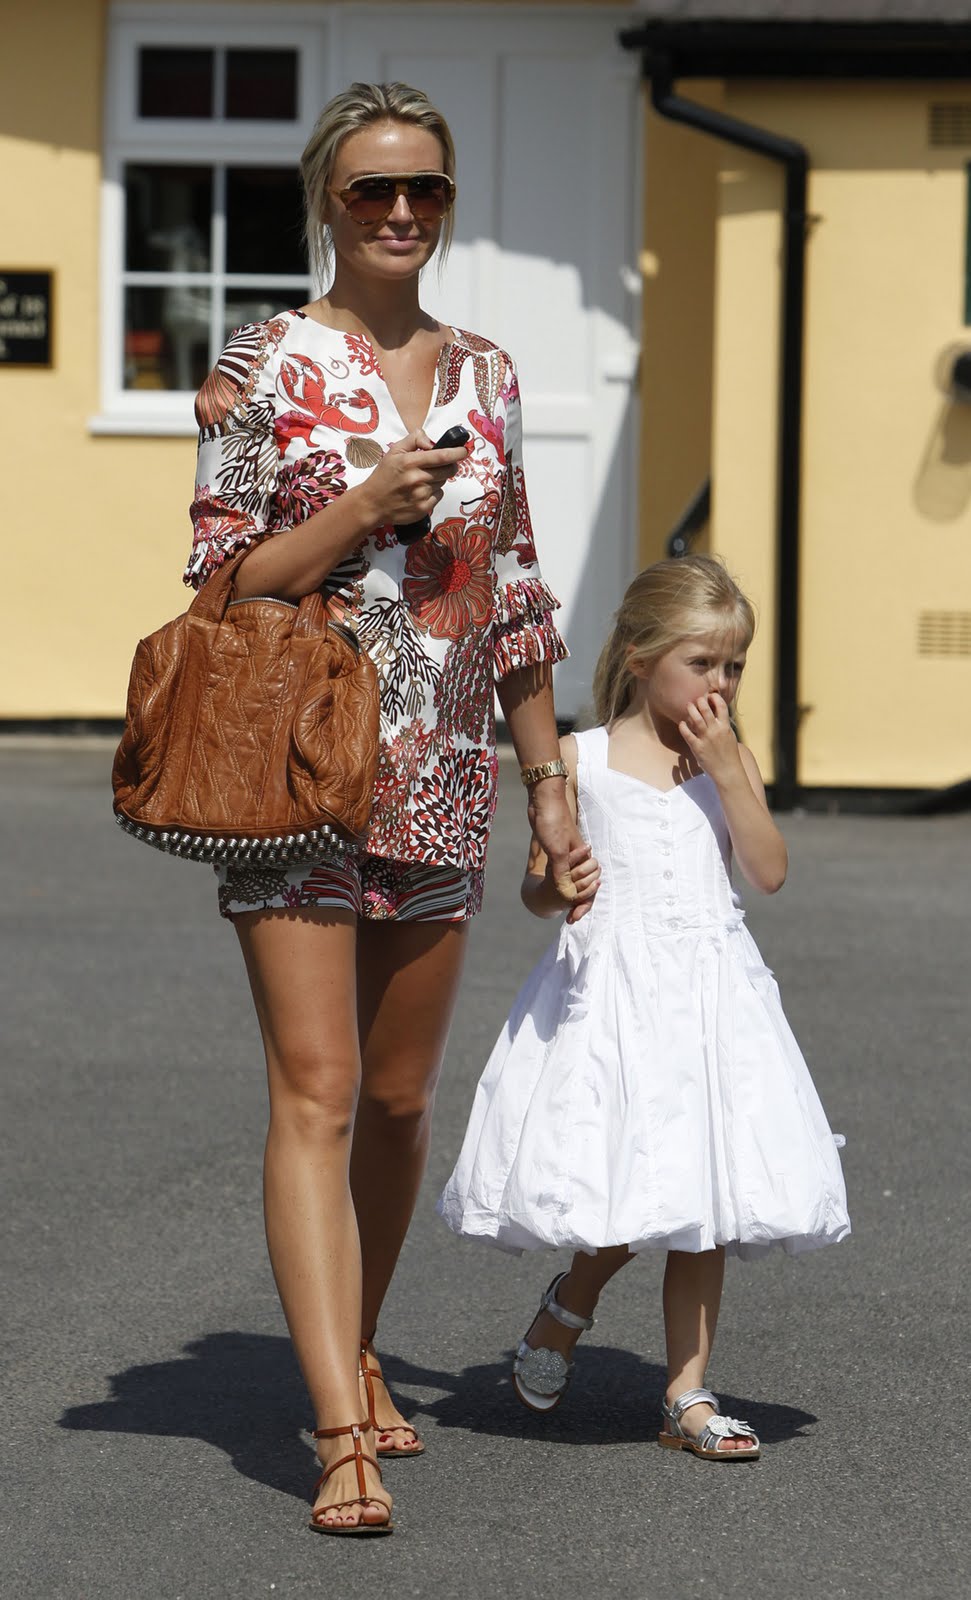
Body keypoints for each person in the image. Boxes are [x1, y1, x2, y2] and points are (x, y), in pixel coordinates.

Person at [184, 81, 594, 1535]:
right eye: (372, 189)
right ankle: (338, 1426)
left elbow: (511, 592)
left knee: (402, 1101)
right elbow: (220, 579)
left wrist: (549, 787)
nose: (401, 212)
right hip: (295, 770)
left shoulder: (488, 372)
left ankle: (353, 1339)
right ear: (327, 202)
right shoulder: (260, 364)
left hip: (444, 771)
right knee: (318, 1087)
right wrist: (360, 508)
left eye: (425, 188)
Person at [439, 554, 850, 1460]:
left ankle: (685, 1395)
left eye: (733, 666)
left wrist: (728, 771)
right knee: (622, 1186)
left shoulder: (725, 759)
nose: (719, 683)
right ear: (638, 656)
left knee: (703, 1192)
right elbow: (537, 890)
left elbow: (768, 871)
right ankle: (568, 1304)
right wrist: (555, 886)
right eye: (700, 663)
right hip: (612, 996)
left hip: (709, 994)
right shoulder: (577, 760)